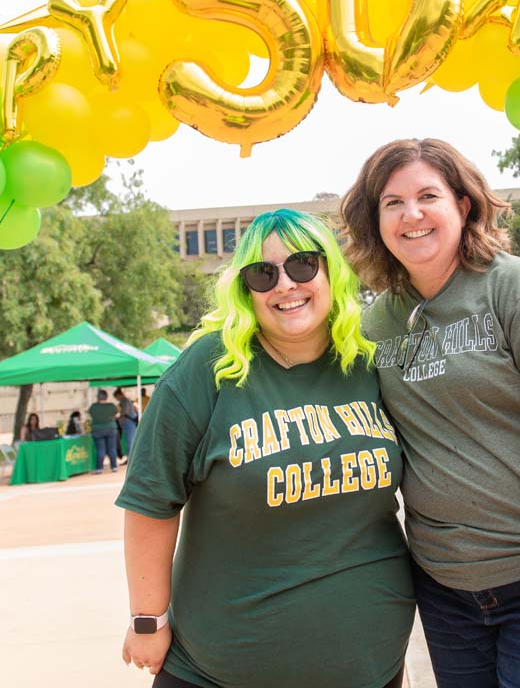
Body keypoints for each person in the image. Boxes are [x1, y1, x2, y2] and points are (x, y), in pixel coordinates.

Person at [342, 139, 520, 688]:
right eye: (392, 203)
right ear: (375, 221)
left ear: (462, 206)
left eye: (427, 196)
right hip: (445, 586)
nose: (411, 214)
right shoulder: (376, 324)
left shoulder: (517, 288)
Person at [117, 209, 414, 688]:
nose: (284, 285)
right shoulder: (208, 368)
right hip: (218, 669)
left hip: (370, 664)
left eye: (301, 265)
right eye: (263, 273)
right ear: (244, 289)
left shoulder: (369, 362)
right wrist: (147, 618)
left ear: (329, 271)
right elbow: (150, 500)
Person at [89, 389, 119, 472]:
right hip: (111, 428)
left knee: (100, 449)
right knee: (112, 448)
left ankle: (99, 468)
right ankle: (114, 467)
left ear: (98, 397)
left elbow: (91, 414)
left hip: (97, 430)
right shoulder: (111, 406)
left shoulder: (93, 406)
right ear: (106, 397)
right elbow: (117, 415)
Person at [114, 388, 139, 458]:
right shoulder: (125, 401)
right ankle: (129, 456)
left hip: (128, 422)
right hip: (128, 422)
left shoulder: (125, 401)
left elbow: (125, 412)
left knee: (130, 441)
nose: (116, 399)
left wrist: (119, 415)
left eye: (116, 397)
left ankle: (131, 457)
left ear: (119, 395)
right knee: (129, 440)